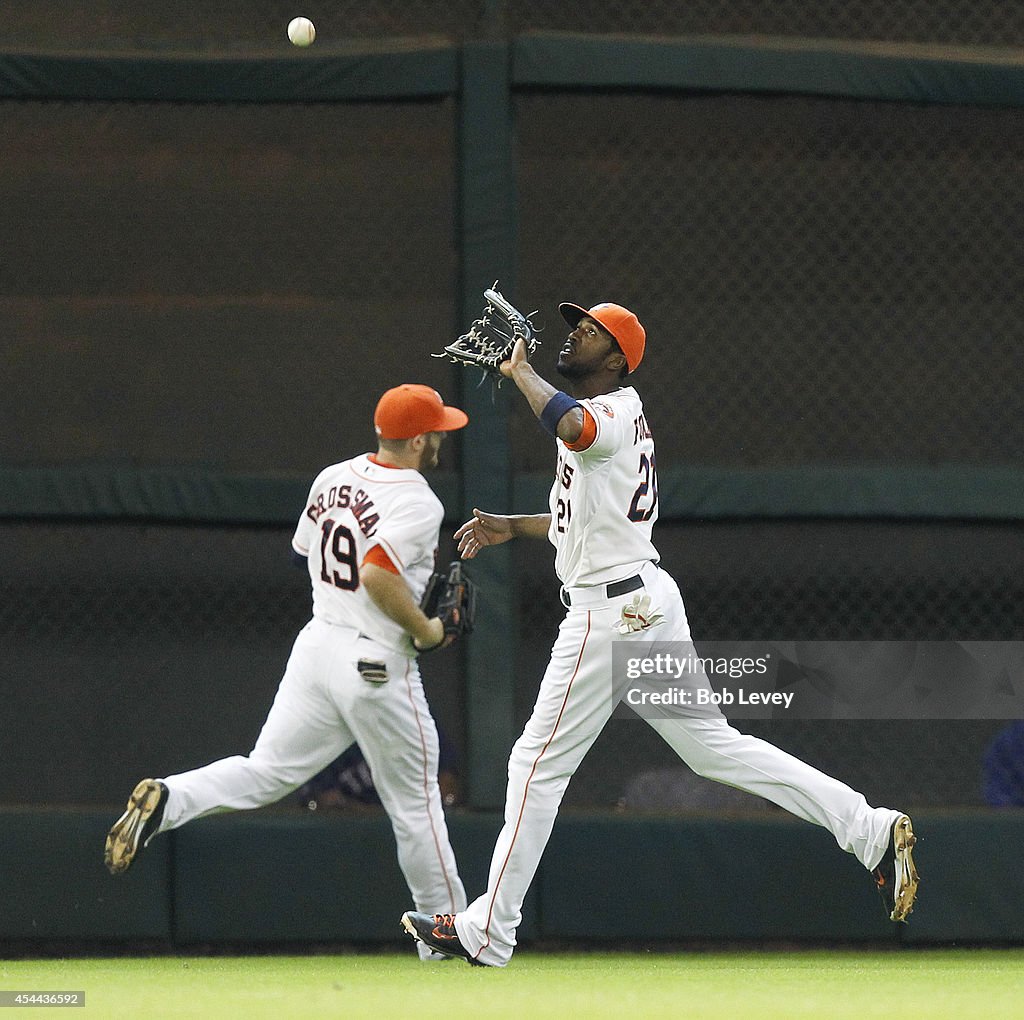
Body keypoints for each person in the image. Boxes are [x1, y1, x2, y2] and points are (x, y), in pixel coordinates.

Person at [401, 301, 919, 966]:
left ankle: (487, 931)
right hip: (643, 600)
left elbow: (574, 424)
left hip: (611, 615)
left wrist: (520, 372)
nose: (575, 334)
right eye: (577, 326)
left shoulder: (615, 410)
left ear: (616, 360)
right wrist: (515, 524)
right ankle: (869, 829)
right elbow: (585, 520)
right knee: (714, 750)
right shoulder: (606, 423)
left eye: (591, 332)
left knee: (535, 764)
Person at [105, 383, 470, 960]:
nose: (441, 442)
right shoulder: (420, 500)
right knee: (417, 805)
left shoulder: (331, 476)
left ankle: (170, 798)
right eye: (439, 433)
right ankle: (449, 945)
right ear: (421, 438)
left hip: (318, 644)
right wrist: (427, 630)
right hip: (375, 658)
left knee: (265, 771)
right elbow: (376, 575)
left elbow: (314, 550)